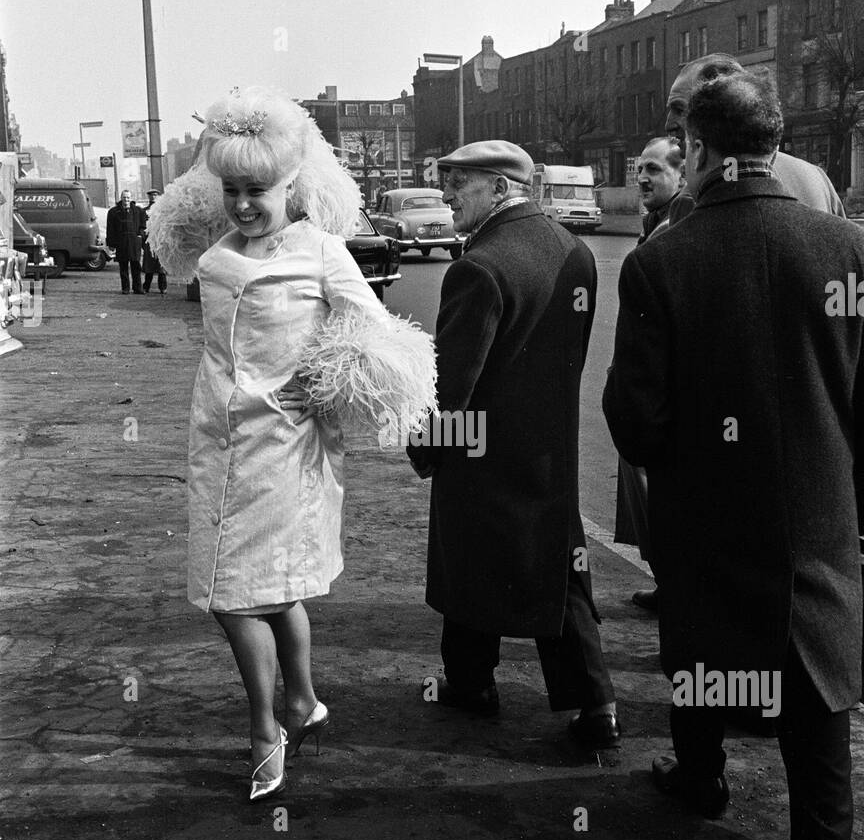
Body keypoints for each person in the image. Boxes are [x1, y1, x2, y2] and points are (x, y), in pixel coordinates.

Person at [603, 68, 864, 840]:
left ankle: (703, 778)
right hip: (821, 501)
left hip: (704, 503)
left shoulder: (661, 261)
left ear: (701, 152)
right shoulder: (848, 248)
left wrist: (665, 458)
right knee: (819, 668)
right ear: (776, 144)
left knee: (704, 646)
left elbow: (634, 416)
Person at [148, 87, 435, 801]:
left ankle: (264, 729)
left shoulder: (322, 252)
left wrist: (333, 378)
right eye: (234, 190)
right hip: (215, 439)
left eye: (260, 191)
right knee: (266, 591)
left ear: (291, 186)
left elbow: (376, 332)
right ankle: (303, 701)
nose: (245, 204)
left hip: (286, 446)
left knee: (235, 597)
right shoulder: (216, 257)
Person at [409, 140, 618, 748]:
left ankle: (472, 684)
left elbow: (452, 384)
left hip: (480, 451)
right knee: (562, 568)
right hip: (551, 448)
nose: (447, 195)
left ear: (500, 189)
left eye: (460, 184)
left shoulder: (479, 266)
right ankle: (597, 705)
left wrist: (427, 448)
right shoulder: (573, 251)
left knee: (470, 561)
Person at [615, 137, 687, 615]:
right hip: (642, 385)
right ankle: (667, 582)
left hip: (660, 394)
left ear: (683, 173)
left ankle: (674, 586)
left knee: (656, 496)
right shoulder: (656, 221)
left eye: (655, 170)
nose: (643, 178)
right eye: (640, 169)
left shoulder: (677, 226)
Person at [664, 53, 845, 221]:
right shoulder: (817, 178)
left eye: (680, 110)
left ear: (719, 105)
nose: (668, 125)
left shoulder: (695, 196)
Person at [107, 190, 143, 294]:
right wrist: (111, 244)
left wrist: (140, 235)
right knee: (123, 267)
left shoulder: (138, 211)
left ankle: (138, 288)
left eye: (128, 197)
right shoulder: (113, 212)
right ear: (121, 198)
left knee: (136, 266)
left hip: (134, 243)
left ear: (131, 198)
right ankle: (125, 288)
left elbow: (143, 225)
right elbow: (110, 229)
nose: (126, 200)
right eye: (124, 197)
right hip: (121, 243)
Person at [140, 189, 167, 295]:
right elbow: (141, 226)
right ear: (148, 197)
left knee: (161, 265)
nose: (153, 197)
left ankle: (163, 287)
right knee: (149, 265)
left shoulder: (163, 210)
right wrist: (143, 238)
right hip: (149, 240)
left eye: (155, 195)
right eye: (151, 196)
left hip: (160, 240)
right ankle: (146, 286)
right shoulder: (144, 211)